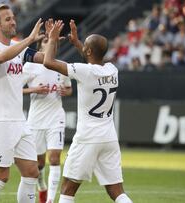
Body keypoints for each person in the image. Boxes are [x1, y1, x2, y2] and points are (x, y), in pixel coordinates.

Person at [43, 20, 133, 203]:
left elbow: (48, 62)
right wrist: (77, 43)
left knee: (67, 189)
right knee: (117, 191)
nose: (83, 48)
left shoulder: (84, 71)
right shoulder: (112, 70)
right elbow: (92, 60)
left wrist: (52, 39)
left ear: (89, 51)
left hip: (87, 137)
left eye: (85, 46)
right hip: (109, 138)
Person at [0, 4, 46, 203]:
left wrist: (51, 42)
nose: (13, 21)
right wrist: (29, 40)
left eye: (13, 17)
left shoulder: (18, 46)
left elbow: (44, 59)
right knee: (1, 176)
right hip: (0, 120)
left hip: (19, 120)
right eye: (7, 19)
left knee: (31, 172)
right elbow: (0, 58)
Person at [23, 35, 72, 203]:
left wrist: (67, 91)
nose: (51, 44)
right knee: (38, 163)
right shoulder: (30, 67)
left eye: (54, 42)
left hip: (56, 118)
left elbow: (69, 88)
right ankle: (42, 186)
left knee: (55, 158)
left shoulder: (61, 66)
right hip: (36, 120)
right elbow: (14, 88)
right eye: (46, 41)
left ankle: (50, 199)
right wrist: (34, 89)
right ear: (40, 46)